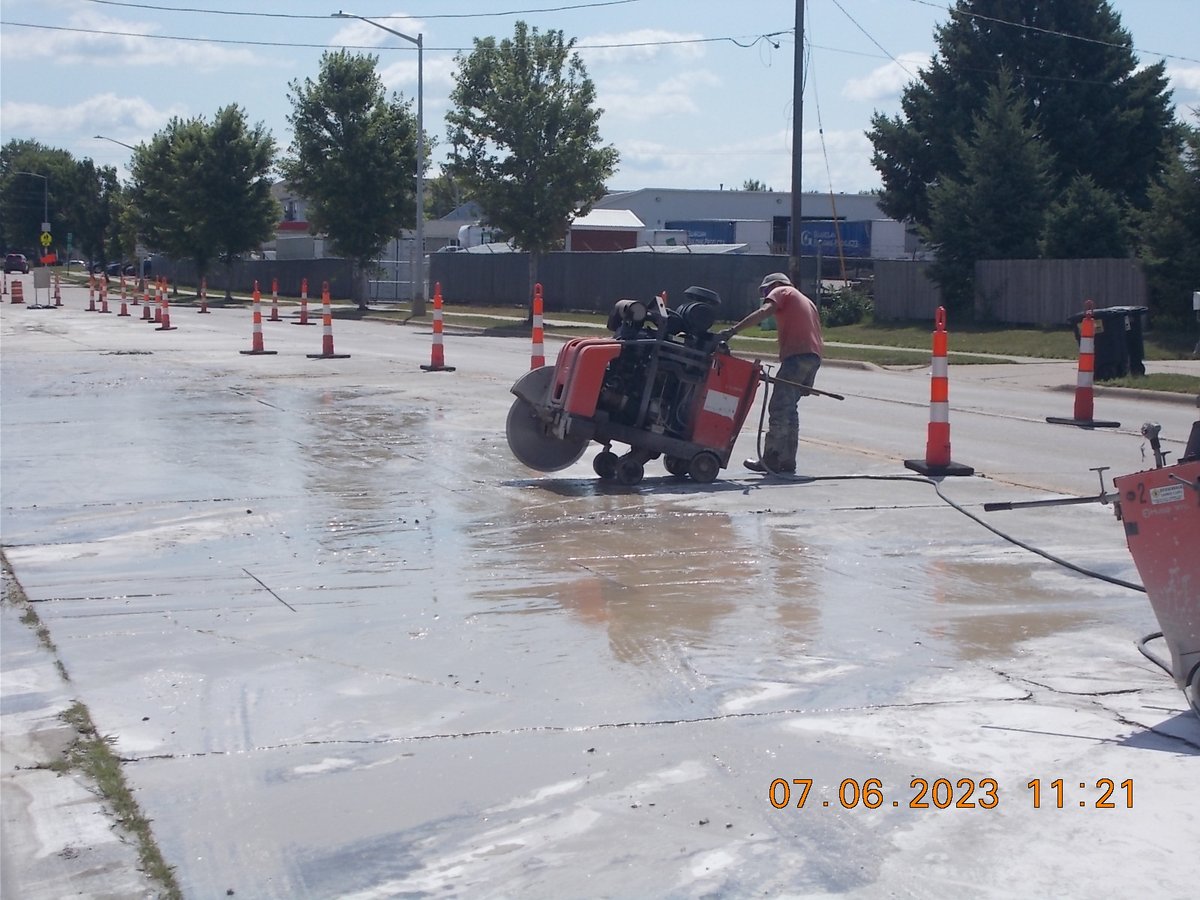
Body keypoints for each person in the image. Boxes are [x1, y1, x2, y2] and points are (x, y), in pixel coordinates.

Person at [717, 272, 823, 474]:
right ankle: (787, 460)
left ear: (775, 285)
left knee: (779, 408)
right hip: (812, 357)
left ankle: (772, 458)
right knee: (790, 410)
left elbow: (765, 311)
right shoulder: (807, 301)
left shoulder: (782, 291)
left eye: (766, 290)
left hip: (797, 356)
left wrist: (733, 330)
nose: (767, 295)